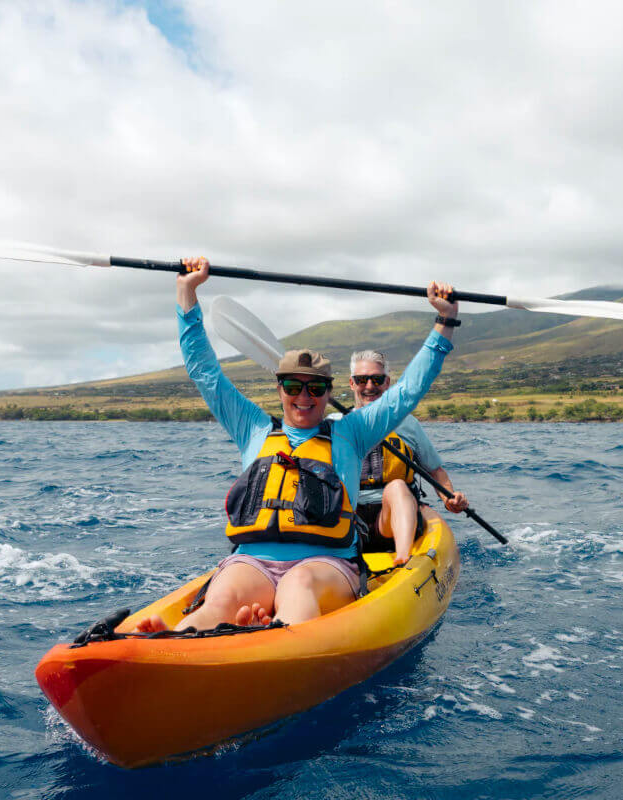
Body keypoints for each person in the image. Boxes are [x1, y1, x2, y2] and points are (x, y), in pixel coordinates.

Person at [132, 257, 460, 633]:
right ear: (280, 389)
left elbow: (408, 391)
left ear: (329, 393)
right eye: (293, 387)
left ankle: (273, 635)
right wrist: (186, 293)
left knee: (298, 586)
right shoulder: (251, 428)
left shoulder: (351, 433)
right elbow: (204, 371)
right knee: (222, 597)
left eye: (316, 388)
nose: (304, 397)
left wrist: (444, 322)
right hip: (252, 561)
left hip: (326, 564)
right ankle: (178, 639)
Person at [333, 350, 469, 566]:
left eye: (376, 379)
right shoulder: (334, 424)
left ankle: (403, 560)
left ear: (387, 383)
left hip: (389, 519)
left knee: (396, 486)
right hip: (347, 521)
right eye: (361, 380)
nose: (369, 386)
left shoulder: (407, 424)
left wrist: (449, 499)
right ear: (351, 383)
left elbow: (436, 471)